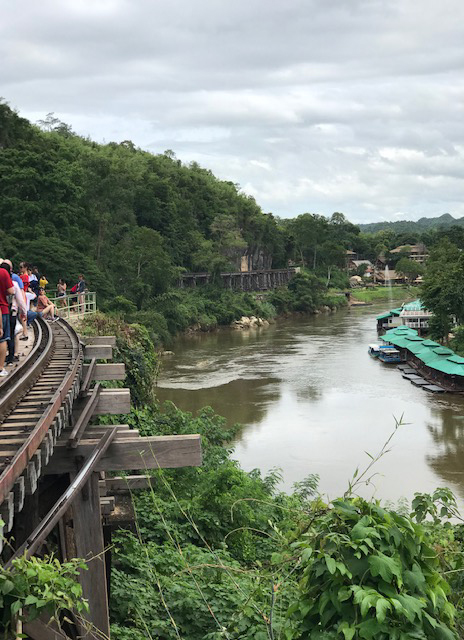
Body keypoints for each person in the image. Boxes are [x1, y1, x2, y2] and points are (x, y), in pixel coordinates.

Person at [0, 260, 14, 376]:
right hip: (2, 308)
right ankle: (0, 368)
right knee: (3, 338)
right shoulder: (3, 273)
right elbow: (11, 291)